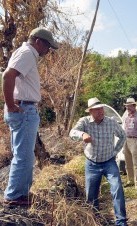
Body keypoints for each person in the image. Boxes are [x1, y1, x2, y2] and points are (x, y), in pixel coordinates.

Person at [2, 27, 59, 206]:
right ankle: (14, 196)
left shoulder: (26, 53)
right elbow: (7, 75)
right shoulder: (27, 53)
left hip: (24, 109)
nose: (48, 50)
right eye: (48, 46)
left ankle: (20, 194)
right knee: (24, 156)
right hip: (23, 109)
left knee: (25, 155)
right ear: (38, 42)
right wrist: (11, 105)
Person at [69, 97, 127, 226]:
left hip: (109, 162)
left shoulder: (111, 122)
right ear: (90, 111)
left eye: (101, 108)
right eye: (96, 109)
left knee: (117, 188)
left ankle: (121, 221)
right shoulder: (84, 122)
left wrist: (115, 152)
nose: (100, 111)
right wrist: (82, 135)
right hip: (92, 164)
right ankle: (95, 219)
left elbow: (123, 136)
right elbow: (72, 132)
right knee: (91, 194)